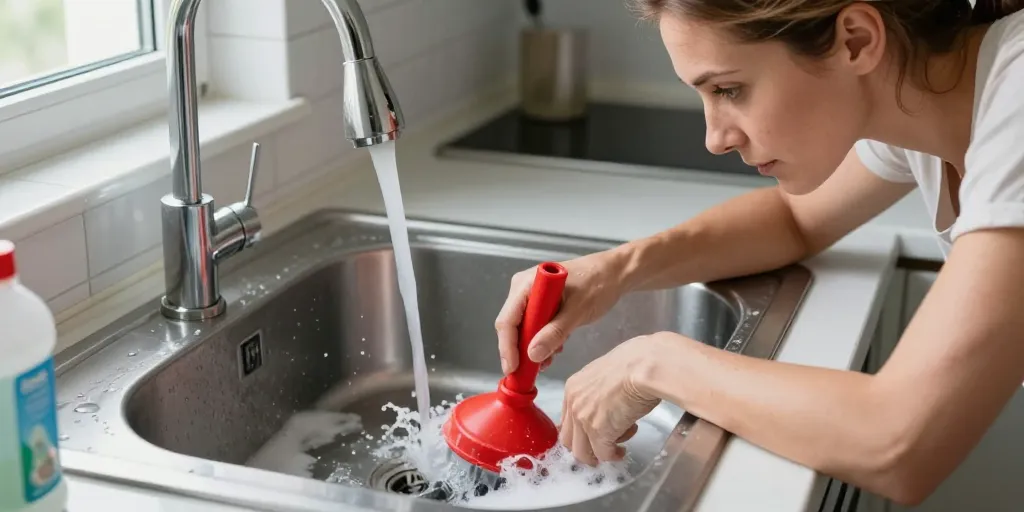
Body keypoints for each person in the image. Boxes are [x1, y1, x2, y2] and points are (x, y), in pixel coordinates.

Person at [493, 0, 1024, 506]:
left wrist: (652, 362)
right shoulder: (923, 93)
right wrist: (615, 270)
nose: (715, 138)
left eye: (729, 88)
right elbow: (795, 221)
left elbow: (900, 442)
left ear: (856, 40)